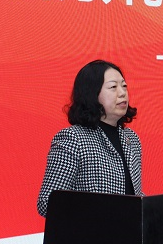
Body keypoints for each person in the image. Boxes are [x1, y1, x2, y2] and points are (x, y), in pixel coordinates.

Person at [37, 60, 144, 217]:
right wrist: (97, 212)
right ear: (92, 94)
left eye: (124, 86)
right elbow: (47, 203)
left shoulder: (131, 139)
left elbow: (134, 194)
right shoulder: (73, 139)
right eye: (113, 87)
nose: (122, 93)